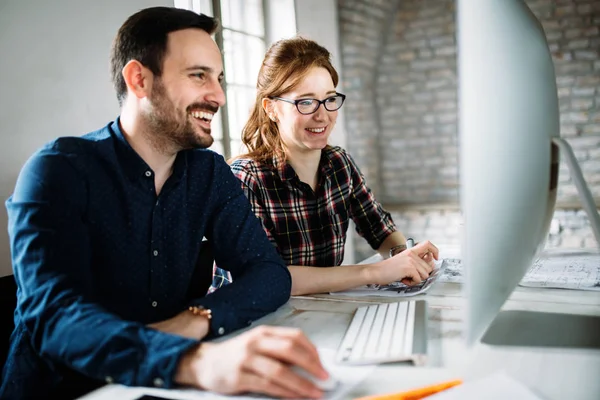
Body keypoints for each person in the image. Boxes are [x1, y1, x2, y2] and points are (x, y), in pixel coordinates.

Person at [0, 9, 328, 400]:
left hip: (171, 387)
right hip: (69, 391)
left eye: (219, 79)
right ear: (139, 79)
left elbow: (270, 273)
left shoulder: (208, 173)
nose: (219, 96)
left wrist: (195, 321)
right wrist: (192, 361)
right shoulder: (57, 170)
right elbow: (55, 318)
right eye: (198, 75)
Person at [224, 37, 440, 296]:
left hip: (313, 312)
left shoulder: (339, 164)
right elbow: (265, 277)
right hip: (249, 323)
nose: (322, 114)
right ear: (271, 109)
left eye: (329, 98)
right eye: (305, 102)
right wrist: (376, 271)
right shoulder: (245, 179)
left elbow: (379, 229)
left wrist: (404, 256)